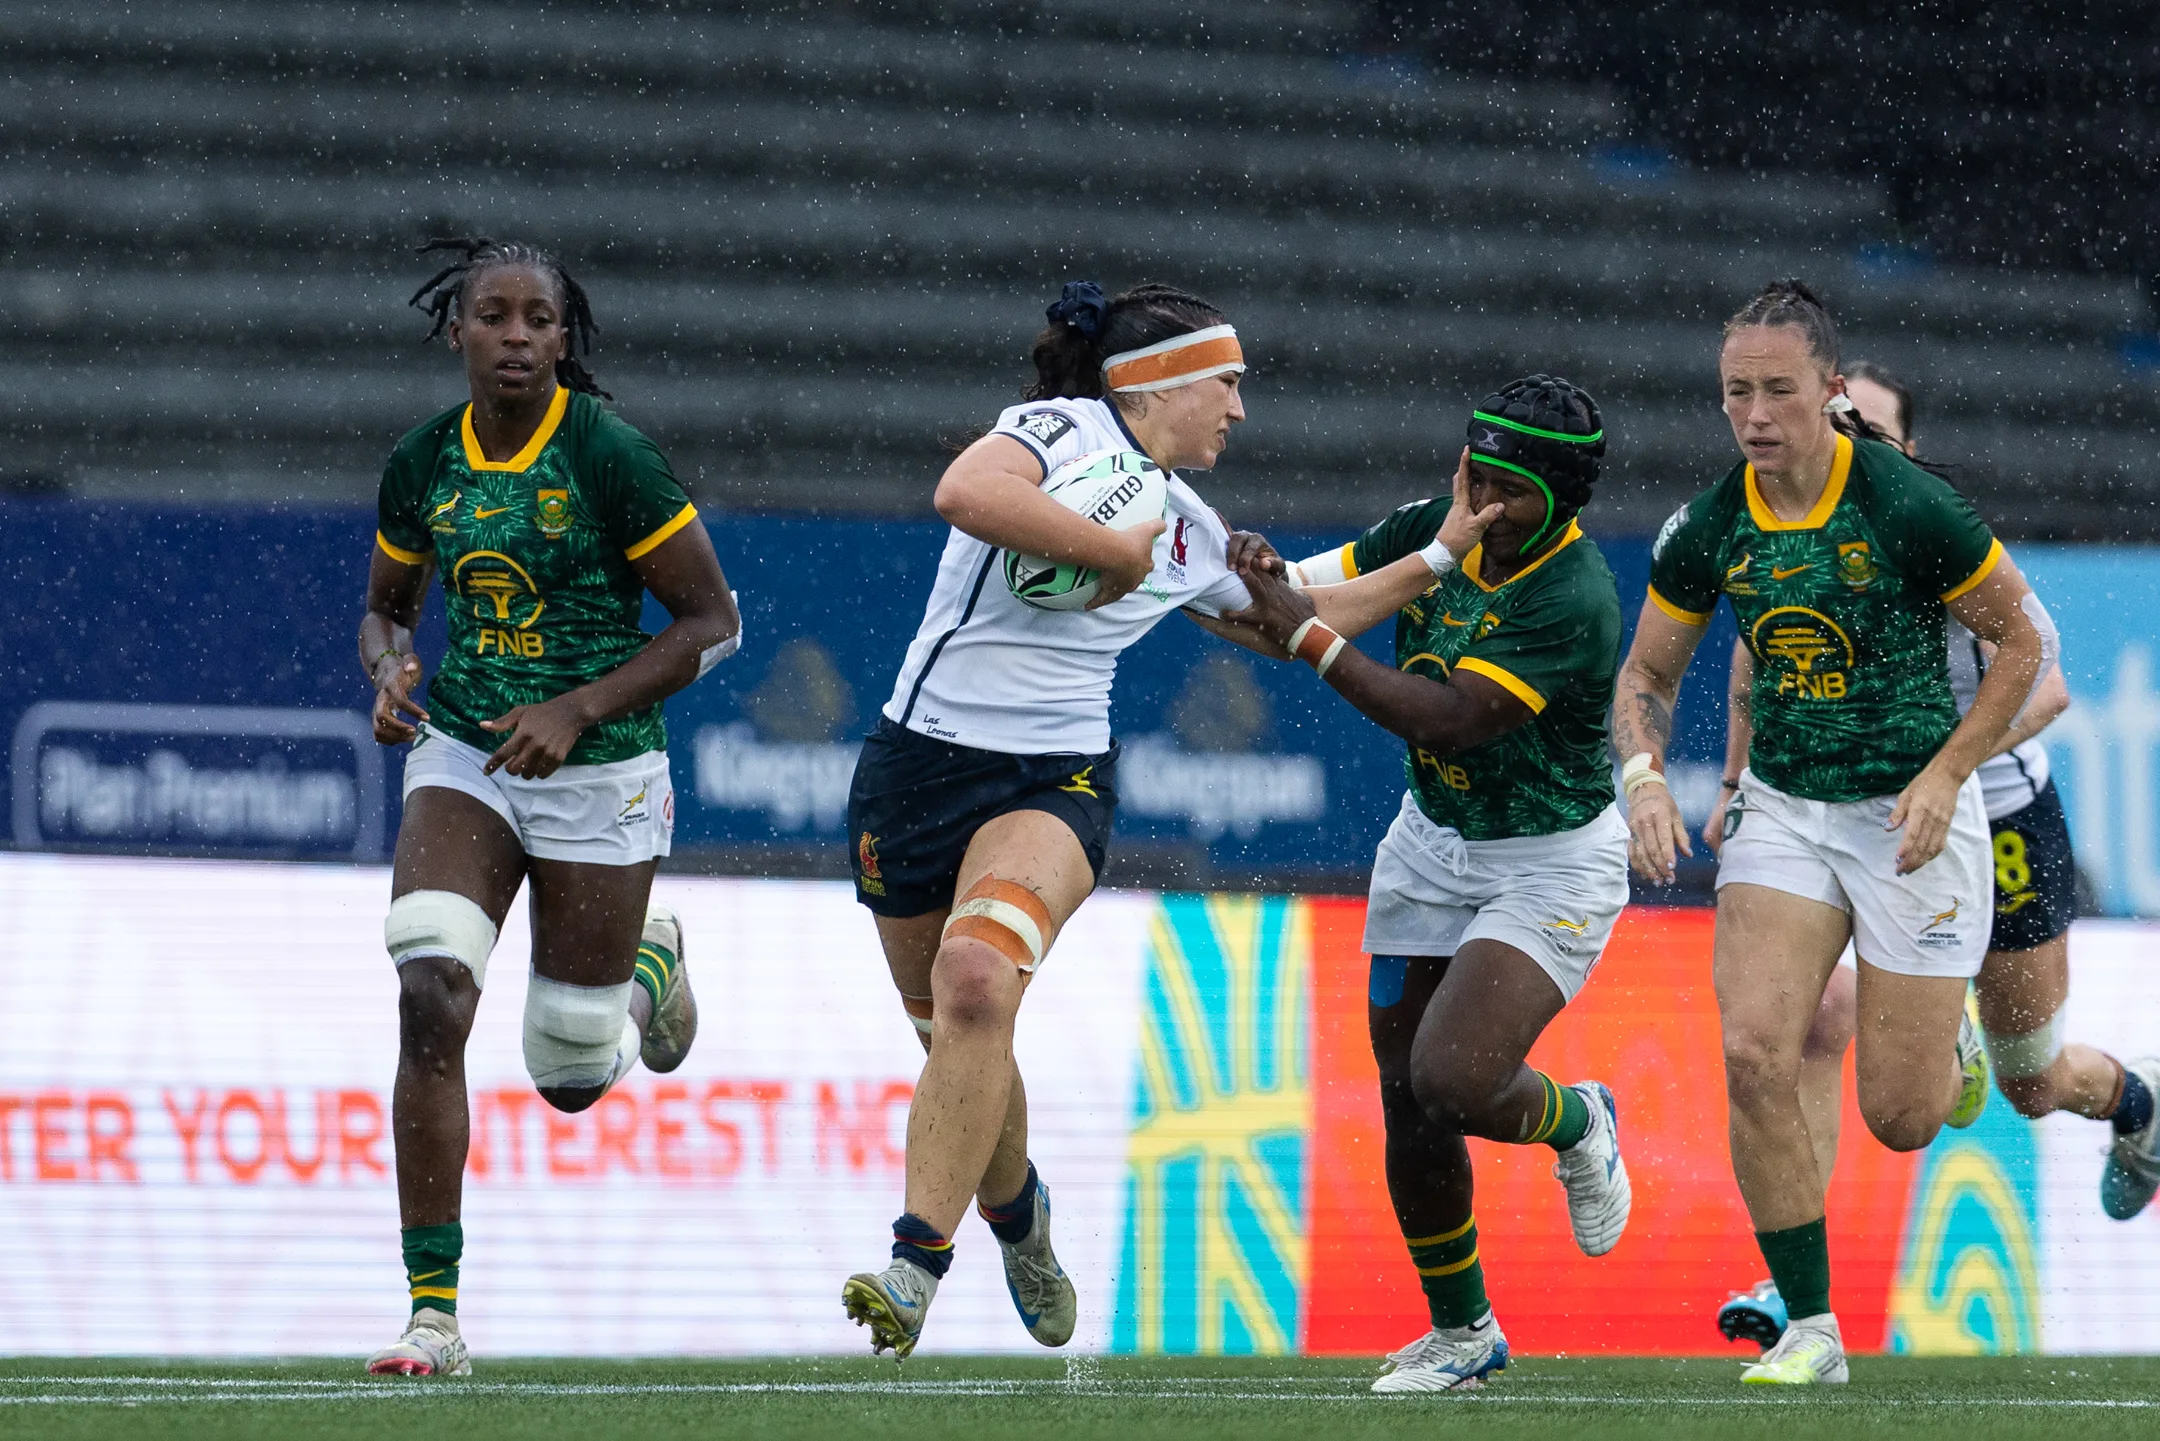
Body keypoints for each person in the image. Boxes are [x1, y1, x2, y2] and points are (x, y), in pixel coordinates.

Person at [839, 280, 1473, 1359]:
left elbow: (1296, 622)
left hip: (1054, 779)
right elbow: (963, 491)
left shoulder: (1188, 524)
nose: (1239, 410)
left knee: (976, 984)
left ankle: (913, 1262)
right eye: (1227, 383)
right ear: (1159, 382)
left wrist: (1448, 548)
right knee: (956, 1040)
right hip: (915, 773)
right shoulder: (1057, 430)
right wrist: (1112, 552)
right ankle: (1020, 1218)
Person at [1614, 279, 2055, 1387]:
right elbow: (1648, 674)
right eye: (1734, 394)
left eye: (1776, 390)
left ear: (1826, 389)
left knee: (1902, 1118)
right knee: (1755, 1046)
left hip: (1907, 811)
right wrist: (1645, 777)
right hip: (1787, 811)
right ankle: (1812, 1325)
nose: (1754, 415)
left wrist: (1951, 773)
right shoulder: (1711, 524)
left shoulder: (1908, 503)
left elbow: (2020, 650)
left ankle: (1939, 1024)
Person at [1710, 361, 2160, 1349]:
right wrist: (1740, 777)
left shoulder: (1939, 533)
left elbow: (2043, 687)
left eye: (1869, 427)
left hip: (1997, 824)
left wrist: (1940, 771)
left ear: (1908, 447)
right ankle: (1795, 1279)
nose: (1844, 442)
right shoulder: (1796, 541)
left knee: (2030, 1080)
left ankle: (2139, 1102)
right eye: (1837, 423)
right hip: (1856, 818)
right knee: (1819, 1020)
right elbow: (1754, 647)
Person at [360, 238, 741, 1376]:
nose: (517, 336)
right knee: (430, 985)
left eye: (539, 319)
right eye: (495, 315)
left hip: (600, 764)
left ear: (564, 340)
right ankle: (434, 1312)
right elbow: (385, 610)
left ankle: (647, 969)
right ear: (458, 333)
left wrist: (576, 708)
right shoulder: (424, 460)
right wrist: (388, 668)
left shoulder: (612, 455)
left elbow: (708, 623)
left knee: (571, 1076)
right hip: (467, 751)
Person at [1231, 376, 1632, 1393]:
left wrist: (1302, 632)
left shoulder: (1572, 595)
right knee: (1408, 1098)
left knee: (1455, 1077)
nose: (1486, 504)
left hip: (1549, 859)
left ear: (1567, 496)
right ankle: (1464, 1334)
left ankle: (1580, 1121)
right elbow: (1305, 596)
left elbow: (1443, 718)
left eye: (1513, 490)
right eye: (1475, 472)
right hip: (1431, 841)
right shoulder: (1436, 527)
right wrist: (1234, 578)